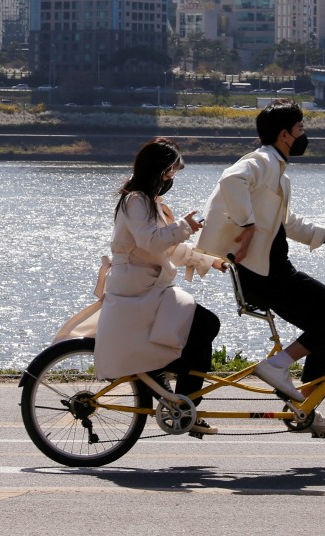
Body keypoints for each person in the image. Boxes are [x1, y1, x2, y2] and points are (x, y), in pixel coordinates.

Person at [196, 101, 325, 435]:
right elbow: (231, 180)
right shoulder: (263, 160)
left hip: (271, 272)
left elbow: (288, 224)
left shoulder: (277, 170)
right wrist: (248, 225)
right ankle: (277, 365)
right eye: (300, 128)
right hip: (267, 275)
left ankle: (303, 408)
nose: (303, 135)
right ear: (285, 135)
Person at [93, 137, 226, 436]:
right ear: (159, 170)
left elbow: (166, 250)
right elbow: (152, 242)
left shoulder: (150, 202)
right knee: (205, 324)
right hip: (137, 291)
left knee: (203, 326)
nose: (172, 179)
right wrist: (186, 226)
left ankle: (175, 394)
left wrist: (211, 261)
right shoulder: (135, 200)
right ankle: (183, 403)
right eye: (170, 173)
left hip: (150, 289)